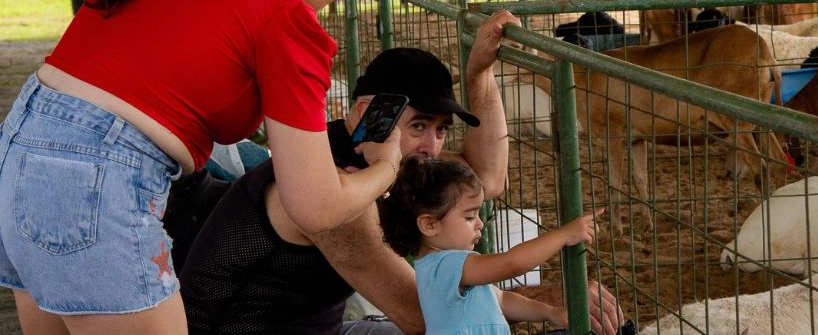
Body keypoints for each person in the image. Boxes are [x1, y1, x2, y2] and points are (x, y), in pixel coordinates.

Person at [0, 0, 400, 334]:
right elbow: (316, 206)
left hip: (19, 154)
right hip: (98, 175)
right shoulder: (284, 11)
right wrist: (386, 167)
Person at [179, 25, 625, 335]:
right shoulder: (335, 188)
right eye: (418, 126)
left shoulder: (371, 156)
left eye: (442, 129)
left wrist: (479, 75)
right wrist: (548, 301)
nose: (432, 147)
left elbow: (486, 179)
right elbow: (422, 314)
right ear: (366, 114)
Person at [381, 156, 600, 334]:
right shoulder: (446, 265)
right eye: (469, 217)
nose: (480, 223)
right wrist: (563, 235)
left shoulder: (441, 266)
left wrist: (548, 312)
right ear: (430, 225)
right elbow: (512, 264)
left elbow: (502, 299)